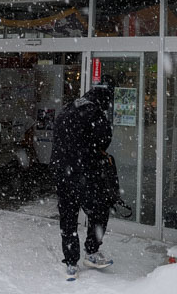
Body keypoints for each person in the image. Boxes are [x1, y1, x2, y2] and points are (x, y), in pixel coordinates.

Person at [50, 76, 116, 280]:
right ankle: (92, 251)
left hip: (63, 172)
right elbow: (104, 140)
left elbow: (59, 138)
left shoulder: (70, 107)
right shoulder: (94, 112)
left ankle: (71, 262)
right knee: (99, 210)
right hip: (84, 174)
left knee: (68, 218)